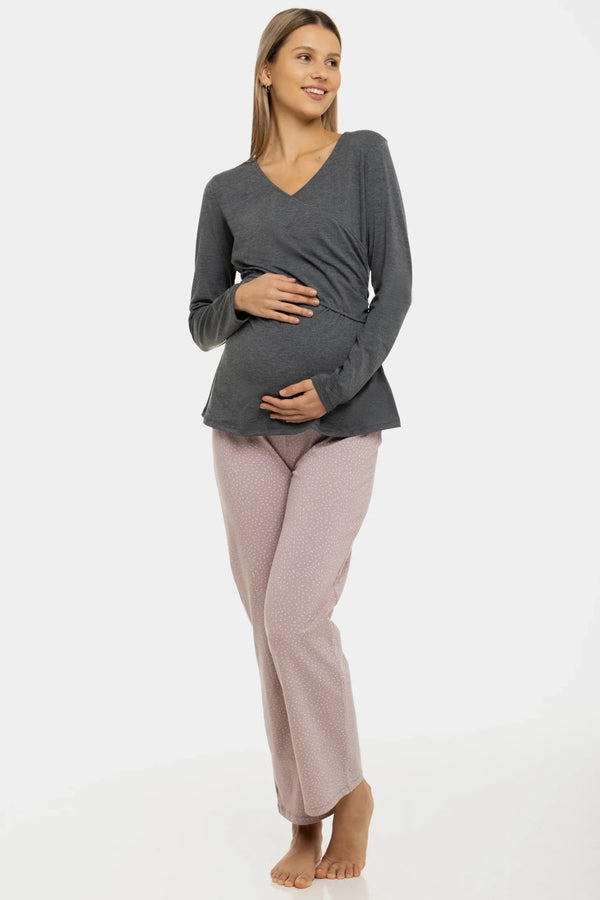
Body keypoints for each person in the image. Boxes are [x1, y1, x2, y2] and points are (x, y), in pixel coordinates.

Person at [188, 8, 412, 889]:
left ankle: (349, 793)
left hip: (341, 424)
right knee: (268, 632)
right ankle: (302, 818)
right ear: (267, 72)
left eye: (334, 60)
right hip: (243, 430)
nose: (323, 72)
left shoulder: (364, 157)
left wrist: (336, 386)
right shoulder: (226, 190)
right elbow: (200, 322)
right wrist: (241, 301)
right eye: (306, 57)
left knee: (294, 618)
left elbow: (396, 290)